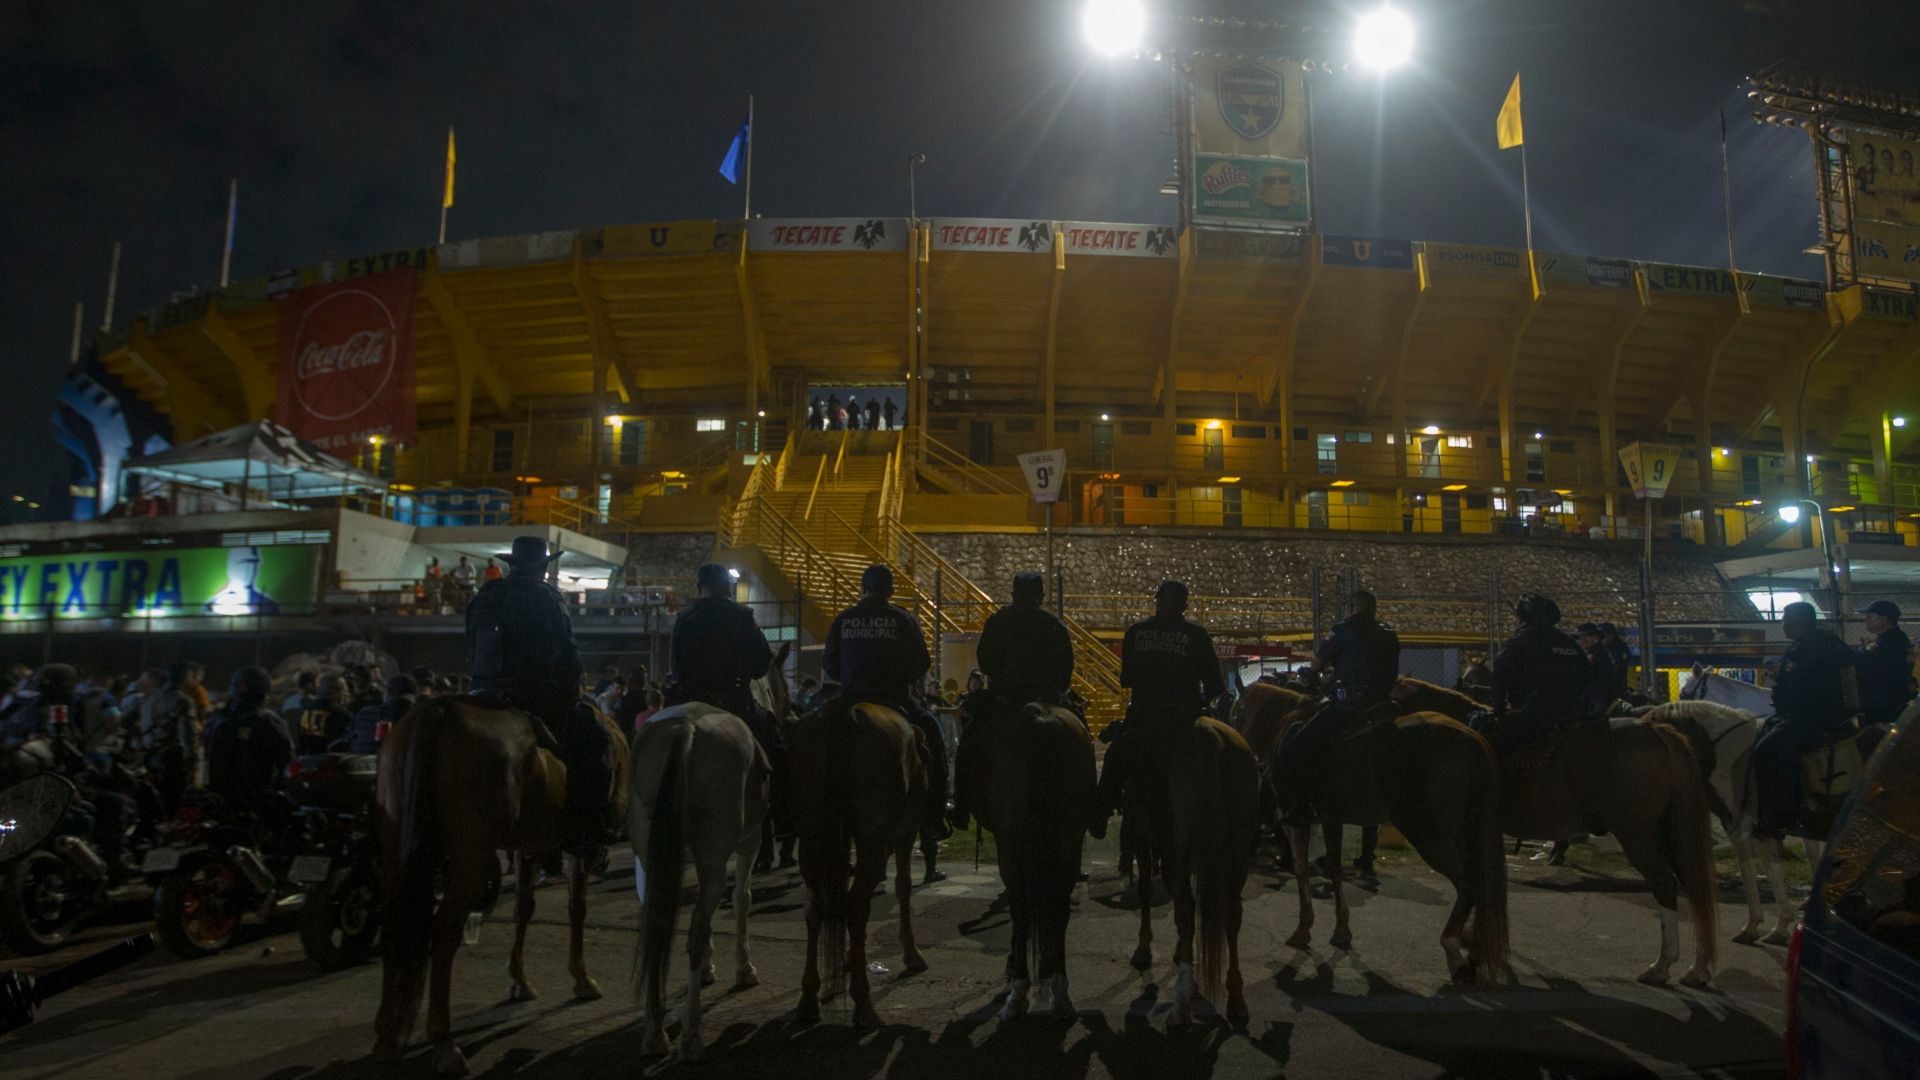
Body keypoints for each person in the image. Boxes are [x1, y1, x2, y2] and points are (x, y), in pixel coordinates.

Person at [468, 535, 611, 850]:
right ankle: (584, 830)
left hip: (481, 691)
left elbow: (471, 642)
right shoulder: (547, 597)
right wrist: (572, 685)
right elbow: (564, 650)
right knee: (596, 741)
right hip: (533, 696)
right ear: (542, 568)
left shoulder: (487, 594)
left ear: (513, 565)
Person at [822, 564, 952, 855]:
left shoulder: (844, 619)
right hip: (894, 699)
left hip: (852, 698)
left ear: (862, 588)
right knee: (933, 737)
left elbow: (829, 663)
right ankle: (935, 815)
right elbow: (921, 663)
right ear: (890, 590)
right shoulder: (903, 620)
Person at [1091, 579, 1224, 839]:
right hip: (1185, 716)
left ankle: (1100, 813)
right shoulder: (1196, 635)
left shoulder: (1137, 633)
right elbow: (1215, 685)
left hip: (1144, 716)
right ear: (1184, 605)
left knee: (1115, 758)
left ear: (1157, 601)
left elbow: (1126, 679)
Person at [951, 571, 1076, 829]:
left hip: (1004, 700)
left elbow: (985, 661)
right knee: (1078, 736)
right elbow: (1065, 669)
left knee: (969, 743)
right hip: (1046, 698)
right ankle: (1088, 807)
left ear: (1013, 594)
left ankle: (961, 808)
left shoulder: (998, 622)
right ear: (1041, 597)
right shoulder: (1053, 625)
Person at [1274, 590, 1401, 830]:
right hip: (1383, 705)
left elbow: (1316, 664)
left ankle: (1304, 806)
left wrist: (1310, 675)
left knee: (1296, 746)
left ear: (1352, 607)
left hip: (1350, 706)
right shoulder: (1389, 633)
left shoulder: (1344, 630)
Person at [1754, 601, 1860, 839]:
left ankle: (1783, 814)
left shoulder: (1801, 650)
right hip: (1840, 717)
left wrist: (1783, 707)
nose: (1782, 626)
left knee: (1766, 751)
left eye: (1783, 621)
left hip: (1810, 719)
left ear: (1795, 622)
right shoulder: (1835, 643)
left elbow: (1790, 691)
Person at [1484, 595, 1590, 751]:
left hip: (1532, 718)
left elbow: (1500, 669)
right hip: (1571, 714)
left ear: (1524, 618)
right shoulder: (1570, 643)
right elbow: (1585, 675)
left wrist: (1499, 707)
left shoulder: (1521, 641)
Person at [203, 667, 294, 808]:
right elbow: (286, 762)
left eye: (238, 685)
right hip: (238, 797)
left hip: (238, 797)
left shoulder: (219, 718)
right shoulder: (269, 722)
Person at [139, 661, 202, 811]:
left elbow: (125, 720)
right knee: (172, 806)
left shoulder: (149, 697)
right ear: (186, 677)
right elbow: (187, 736)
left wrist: (144, 734)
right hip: (173, 761)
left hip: (150, 756)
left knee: (151, 804)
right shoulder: (183, 701)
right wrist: (193, 765)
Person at [1856, 600, 1914, 725]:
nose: (1865, 619)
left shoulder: (1889, 643)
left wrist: (1862, 652)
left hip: (1884, 704)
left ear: (1884, 619)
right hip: (1892, 699)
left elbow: (1866, 665)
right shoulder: (1895, 638)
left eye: (1870, 616)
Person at [338, 674, 417, 754]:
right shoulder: (415, 718)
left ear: (388, 692)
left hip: (360, 763)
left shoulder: (365, 713)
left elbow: (346, 739)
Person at [294, 673, 357, 756]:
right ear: (333, 691)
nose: (347, 695)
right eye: (344, 690)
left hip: (306, 762)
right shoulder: (342, 715)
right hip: (334, 763)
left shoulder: (303, 712)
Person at [1575, 623, 1620, 719]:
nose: (1583, 639)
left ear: (1597, 637)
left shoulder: (1598, 655)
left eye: (1587, 636)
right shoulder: (1594, 653)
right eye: (1581, 636)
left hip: (1597, 697)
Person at [1599, 622, 1632, 700]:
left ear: (1610, 635)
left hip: (1616, 688)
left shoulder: (1619, 648)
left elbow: (1618, 668)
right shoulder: (1600, 648)